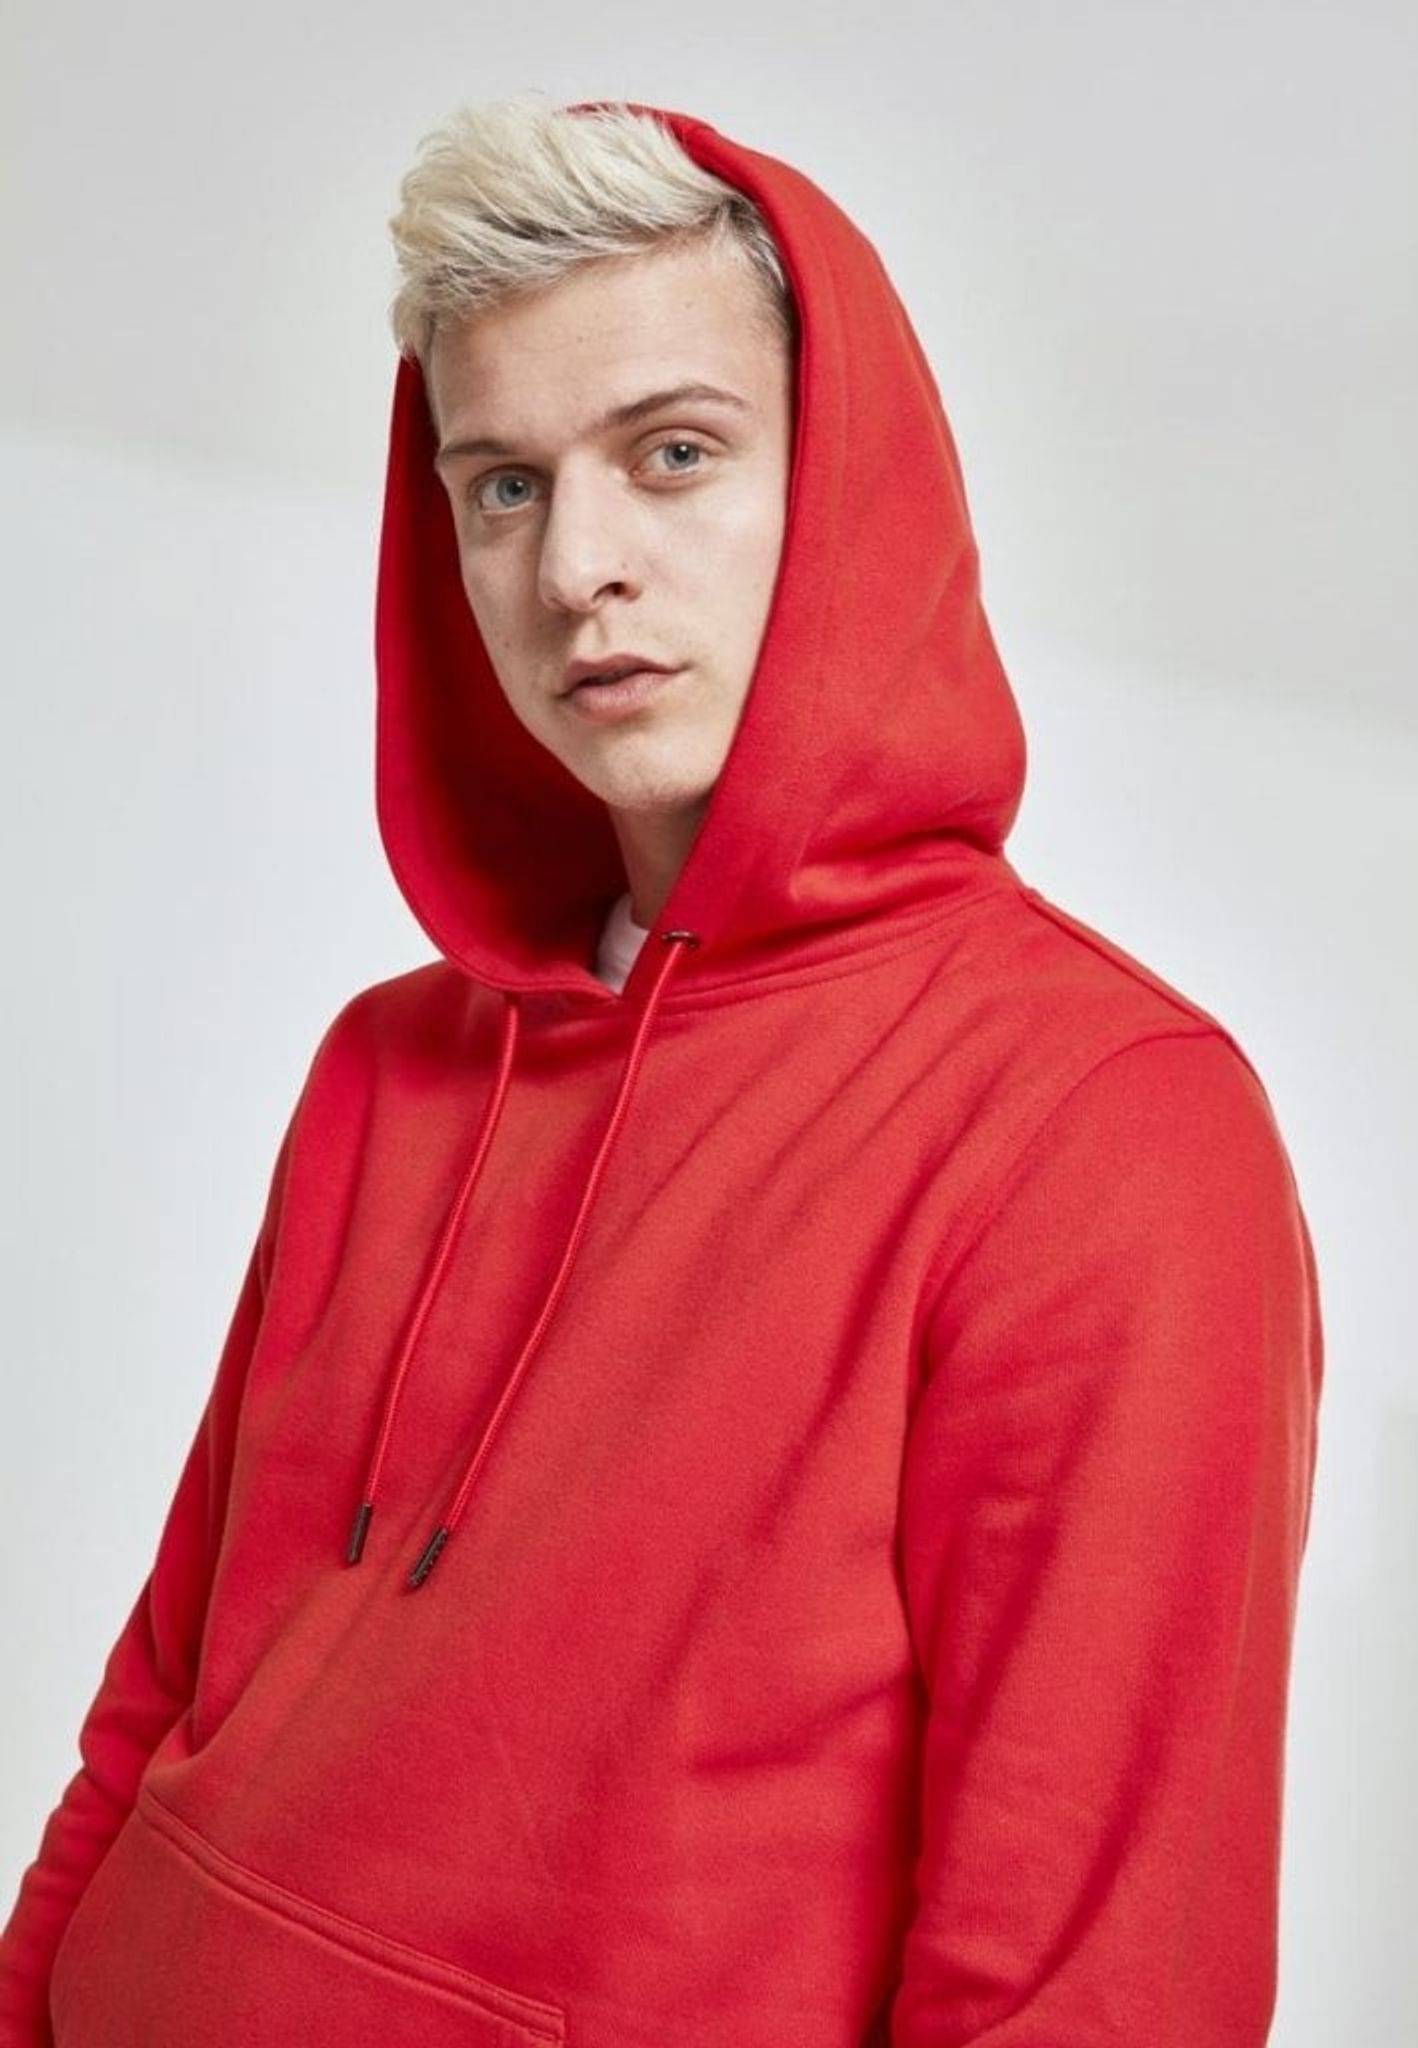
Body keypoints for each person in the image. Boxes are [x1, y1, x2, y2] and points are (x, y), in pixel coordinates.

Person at [0, 93, 1323, 2048]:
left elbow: (1089, 1989)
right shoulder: (388, 1065)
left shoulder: (1102, 1124)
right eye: (502, 486)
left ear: (848, 483)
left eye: (672, 454)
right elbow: (160, 1706)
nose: (576, 567)